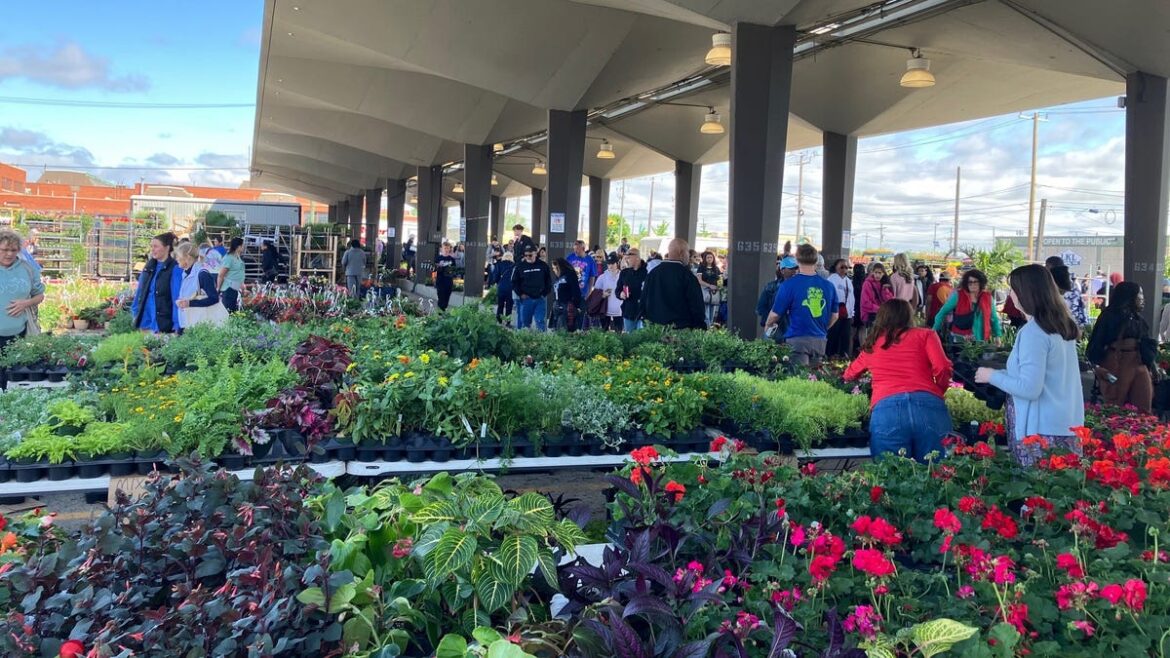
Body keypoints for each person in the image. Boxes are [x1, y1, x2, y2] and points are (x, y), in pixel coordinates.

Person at [975, 264, 1084, 466]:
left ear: (1025, 293)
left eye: (1013, 290)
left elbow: (1030, 388)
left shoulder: (1034, 332)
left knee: (1037, 493)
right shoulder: (1061, 326)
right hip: (1065, 424)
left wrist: (991, 376)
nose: (1011, 295)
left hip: (1040, 432)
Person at [845, 299, 952, 461]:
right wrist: (938, 391)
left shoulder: (873, 343)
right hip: (930, 406)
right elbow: (943, 367)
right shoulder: (926, 335)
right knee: (936, 475)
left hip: (887, 409)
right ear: (909, 316)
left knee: (890, 477)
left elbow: (849, 375)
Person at [1086, 281, 1157, 412]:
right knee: (1115, 406)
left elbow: (1146, 343)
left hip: (1137, 362)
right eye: (1139, 294)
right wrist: (1097, 367)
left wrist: (1153, 366)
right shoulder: (1109, 316)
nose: (1142, 298)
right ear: (1129, 296)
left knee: (1144, 406)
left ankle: (1142, 431)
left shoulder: (1138, 319)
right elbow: (1096, 343)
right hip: (1116, 362)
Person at [764, 244, 838, 366]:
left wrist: (767, 326)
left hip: (797, 339)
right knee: (813, 379)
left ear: (797, 260)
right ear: (816, 260)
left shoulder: (789, 285)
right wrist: (822, 329)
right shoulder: (829, 286)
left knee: (798, 379)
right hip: (820, 341)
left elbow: (775, 315)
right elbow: (835, 316)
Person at [641, 238, 705, 329]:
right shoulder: (687, 276)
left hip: (655, 329)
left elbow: (643, 300)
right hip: (680, 330)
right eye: (688, 252)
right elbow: (696, 306)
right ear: (681, 253)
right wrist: (699, 327)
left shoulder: (653, 273)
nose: (688, 255)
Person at [0, 229, 45, 355]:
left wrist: (26, 303)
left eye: (13, 250)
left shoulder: (27, 268)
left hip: (19, 334)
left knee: (15, 372)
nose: (9, 254)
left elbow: (40, 295)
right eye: (4, 250)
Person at [131, 232, 184, 333]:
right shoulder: (149, 266)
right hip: (145, 319)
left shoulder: (175, 268)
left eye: (156, 246)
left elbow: (176, 297)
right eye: (152, 246)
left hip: (163, 322)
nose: (152, 250)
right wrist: (135, 311)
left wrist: (177, 323)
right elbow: (140, 291)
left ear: (167, 248)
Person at [932, 269, 1002, 343]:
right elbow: (942, 313)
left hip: (981, 340)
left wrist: (997, 336)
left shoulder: (987, 297)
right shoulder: (958, 295)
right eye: (970, 282)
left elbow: (994, 318)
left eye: (975, 282)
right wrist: (934, 332)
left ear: (981, 283)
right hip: (960, 340)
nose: (972, 285)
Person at [174, 242, 227, 329]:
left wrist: (189, 303)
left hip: (202, 325)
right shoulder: (186, 273)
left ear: (187, 257)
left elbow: (214, 298)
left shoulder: (202, 274)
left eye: (178, 256)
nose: (176, 259)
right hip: (190, 322)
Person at [511, 245, 551, 331]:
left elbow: (548, 281)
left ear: (535, 254)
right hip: (526, 299)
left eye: (530, 255)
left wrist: (544, 293)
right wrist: (520, 294)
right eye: (525, 255)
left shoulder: (543, 265)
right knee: (524, 323)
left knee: (540, 321)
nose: (527, 257)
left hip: (540, 299)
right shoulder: (520, 266)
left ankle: (542, 341)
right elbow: (515, 282)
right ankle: (524, 342)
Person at [826, 258, 854, 358]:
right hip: (834, 312)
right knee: (833, 336)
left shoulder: (848, 281)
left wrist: (851, 313)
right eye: (841, 267)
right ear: (836, 267)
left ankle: (843, 357)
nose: (844, 269)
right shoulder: (831, 279)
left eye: (846, 267)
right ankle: (829, 356)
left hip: (846, 313)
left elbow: (851, 298)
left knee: (845, 336)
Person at [616, 248, 647, 333]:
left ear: (637, 257)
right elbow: (617, 290)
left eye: (628, 256)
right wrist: (621, 294)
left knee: (642, 340)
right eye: (625, 257)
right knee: (630, 340)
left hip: (644, 313)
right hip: (628, 312)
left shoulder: (647, 272)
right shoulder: (624, 273)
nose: (626, 259)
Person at [859, 263, 894, 332]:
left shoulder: (884, 283)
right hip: (870, 316)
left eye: (880, 273)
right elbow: (865, 303)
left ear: (883, 273)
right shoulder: (867, 283)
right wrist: (880, 309)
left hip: (881, 316)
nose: (877, 275)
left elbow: (889, 301)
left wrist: (885, 290)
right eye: (876, 272)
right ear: (872, 272)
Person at [551, 257, 583, 332]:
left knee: (565, 330)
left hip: (567, 306)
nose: (553, 270)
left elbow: (576, 291)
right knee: (558, 328)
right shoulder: (558, 277)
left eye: (554, 268)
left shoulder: (570, 275)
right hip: (558, 305)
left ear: (559, 267)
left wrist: (576, 305)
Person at [594, 254, 623, 331]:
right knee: (604, 332)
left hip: (619, 310)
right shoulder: (602, 277)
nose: (610, 266)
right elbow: (595, 294)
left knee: (619, 333)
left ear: (617, 263)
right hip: (605, 310)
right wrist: (603, 294)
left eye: (612, 263)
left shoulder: (623, 276)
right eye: (609, 264)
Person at [216, 237, 246, 313]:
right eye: (243, 245)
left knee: (233, 311)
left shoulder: (237, 257)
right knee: (228, 312)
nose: (244, 247)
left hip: (235, 289)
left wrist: (242, 286)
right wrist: (218, 288)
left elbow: (238, 273)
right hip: (228, 289)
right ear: (238, 247)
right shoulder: (228, 258)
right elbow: (221, 275)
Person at [756, 264, 787, 332]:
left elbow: (760, 309)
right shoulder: (771, 287)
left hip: (775, 327)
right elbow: (760, 308)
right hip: (780, 328)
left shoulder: (770, 286)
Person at [696, 251, 722, 327]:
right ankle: (707, 327)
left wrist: (719, 286)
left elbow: (720, 279)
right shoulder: (701, 268)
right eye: (708, 257)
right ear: (705, 258)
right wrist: (709, 285)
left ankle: (710, 327)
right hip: (705, 291)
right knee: (706, 311)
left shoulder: (716, 268)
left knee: (713, 312)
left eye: (711, 257)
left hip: (714, 291)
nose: (709, 259)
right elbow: (699, 280)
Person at [490, 252, 515, 323]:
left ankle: (499, 319)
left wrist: (498, 282)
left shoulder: (499, 264)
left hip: (501, 287)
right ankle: (508, 321)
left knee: (500, 304)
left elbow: (495, 277)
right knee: (509, 305)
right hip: (511, 288)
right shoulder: (514, 266)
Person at [434, 242, 457, 311]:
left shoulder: (452, 259)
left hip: (449, 281)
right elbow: (433, 270)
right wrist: (433, 278)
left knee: (446, 299)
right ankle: (440, 314)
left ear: (450, 249)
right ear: (442, 249)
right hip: (440, 281)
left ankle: (443, 312)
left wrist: (453, 273)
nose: (446, 249)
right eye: (445, 248)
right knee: (441, 298)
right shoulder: (438, 258)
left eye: (448, 248)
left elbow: (454, 270)